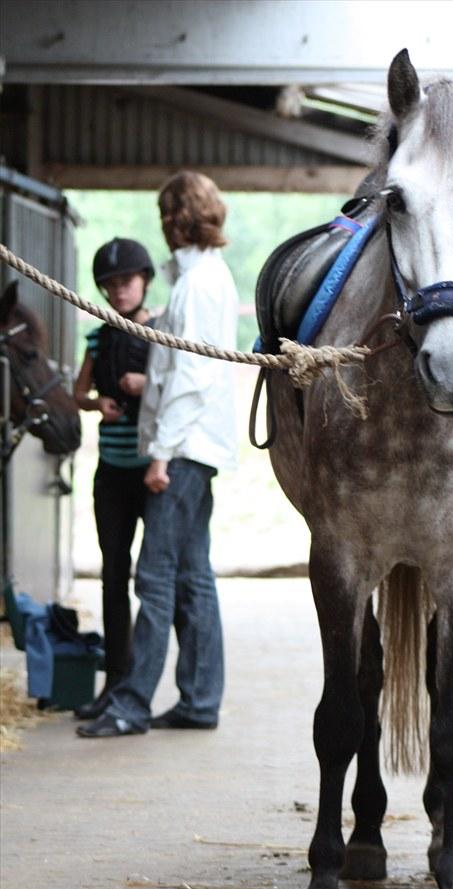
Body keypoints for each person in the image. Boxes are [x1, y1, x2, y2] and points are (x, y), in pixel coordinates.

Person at [78, 172, 239, 738]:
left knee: (155, 576)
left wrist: (160, 455)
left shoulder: (196, 285)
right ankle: (198, 699)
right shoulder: (206, 278)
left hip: (184, 447)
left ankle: (131, 703)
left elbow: (190, 379)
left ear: (174, 218)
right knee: (193, 576)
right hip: (199, 446)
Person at [73, 238, 156, 720]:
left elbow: (183, 383)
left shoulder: (162, 333)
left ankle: (149, 683)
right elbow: (79, 392)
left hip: (152, 473)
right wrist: (95, 404)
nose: (118, 291)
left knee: (158, 580)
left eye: (125, 281)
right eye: (109, 285)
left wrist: (148, 384)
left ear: (143, 280)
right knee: (112, 577)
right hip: (112, 475)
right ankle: (115, 680)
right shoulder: (99, 336)